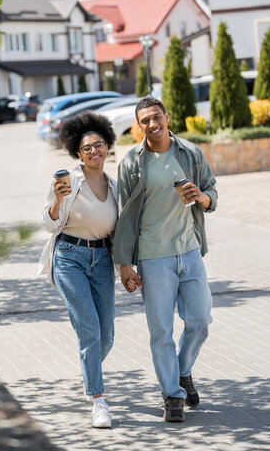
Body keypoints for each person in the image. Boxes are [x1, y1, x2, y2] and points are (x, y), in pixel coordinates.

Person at [113, 96, 217, 423]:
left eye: (156, 117)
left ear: (167, 117)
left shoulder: (190, 152)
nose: (152, 124)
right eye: (145, 120)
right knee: (161, 330)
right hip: (152, 257)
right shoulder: (132, 163)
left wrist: (201, 197)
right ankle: (172, 393)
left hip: (189, 250)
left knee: (200, 321)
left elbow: (211, 192)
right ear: (138, 125)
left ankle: (183, 371)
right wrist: (124, 263)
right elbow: (125, 217)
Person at [39, 111, 117, 428]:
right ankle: (98, 400)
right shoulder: (68, 182)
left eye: (99, 144)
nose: (95, 151)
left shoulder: (115, 184)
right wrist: (57, 201)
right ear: (77, 152)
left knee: (106, 336)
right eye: (87, 148)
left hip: (102, 260)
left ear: (108, 146)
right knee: (89, 330)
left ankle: (89, 370)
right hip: (69, 257)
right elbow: (48, 223)